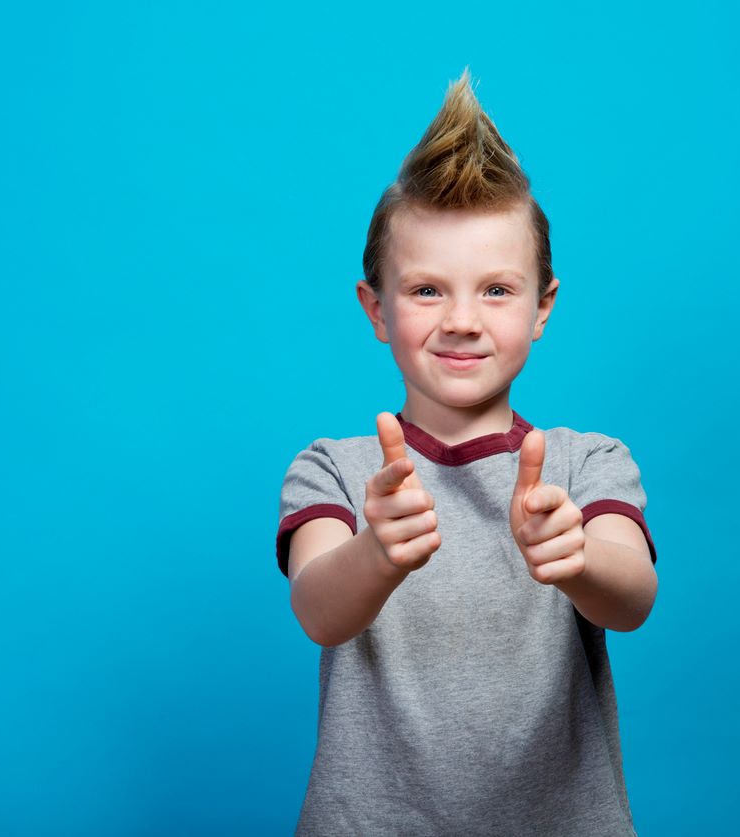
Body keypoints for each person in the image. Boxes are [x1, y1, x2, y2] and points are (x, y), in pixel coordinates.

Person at [274, 68, 659, 836]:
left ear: (542, 305)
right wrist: (376, 552)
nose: (460, 320)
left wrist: (576, 554)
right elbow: (318, 611)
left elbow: (635, 597)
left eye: (495, 290)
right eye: (426, 291)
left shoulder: (587, 463)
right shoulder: (334, 468)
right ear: (375, 308)